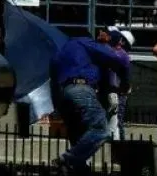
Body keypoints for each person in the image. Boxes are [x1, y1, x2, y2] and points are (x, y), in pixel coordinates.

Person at [50, 32, 131, 176]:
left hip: (61, 95)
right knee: (100, 128)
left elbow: (52, 77)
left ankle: (78, 168)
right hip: (80, 88)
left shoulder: (60, 52)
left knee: (78, 134)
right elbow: (115, 58)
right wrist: (125, 82)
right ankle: (66, 160)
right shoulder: (84, 42)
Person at [101, 26, 135, 140]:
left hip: (116, 92)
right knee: (115, 122)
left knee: (115, 122)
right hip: (115, 91)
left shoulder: (119, 55)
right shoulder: (121, 55)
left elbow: (125, 79)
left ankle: (119, 143)